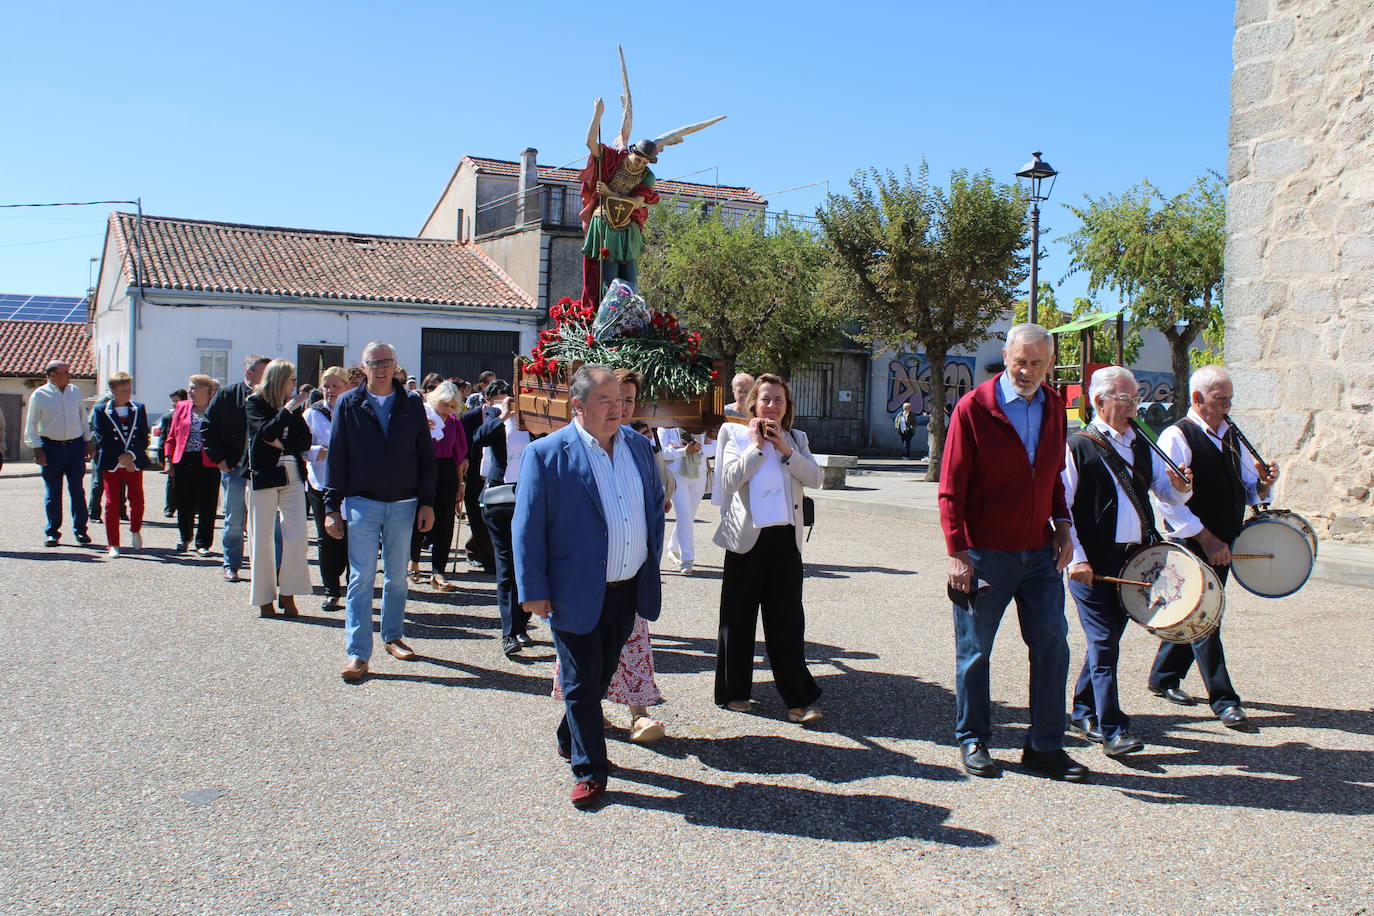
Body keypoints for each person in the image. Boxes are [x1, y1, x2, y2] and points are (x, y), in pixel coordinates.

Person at [513, 365, 665, 809]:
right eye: (605, 400)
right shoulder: (546, 454)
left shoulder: (637, 446)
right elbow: (528, 528)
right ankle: (591, 771)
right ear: (577, 406)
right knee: (581, 681)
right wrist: (532, 588)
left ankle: (570, 733)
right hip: (571, 590)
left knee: (598, 675)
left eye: (620, 399)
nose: (617, 408)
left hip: (627, 585)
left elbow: (653, 506)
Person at [940, 324, 1086, 782]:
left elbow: (1054, 478)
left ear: (1049, 364)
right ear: (1005, 356)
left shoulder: (1055, 406)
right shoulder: (973, 408)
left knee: (1052, 647)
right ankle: (974, 739)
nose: (1027, 371)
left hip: (1040, 554)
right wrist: (957, 553)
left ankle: (1044, 746)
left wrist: (1063, 526)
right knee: (976, 651)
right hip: (985, 554)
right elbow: (951, 489)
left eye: (1037, 363)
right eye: (1020, 361)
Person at [1062, 367, 1193, 757]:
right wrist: (1077, 560)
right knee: (1103, 641)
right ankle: (1112, 728)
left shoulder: (1141, 443)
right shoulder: (1077, 446)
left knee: (1108, 641)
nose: (1134, 406)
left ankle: (1082, 710)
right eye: (1126, 398)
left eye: (1136, 398)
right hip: (1091, 564)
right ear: (1100, 401)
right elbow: (1061, 511)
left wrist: (1181, 487)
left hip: (1132, 563)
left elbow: (1166, 494)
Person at [1147, 365, 1279, 730]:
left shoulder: (1230, 433)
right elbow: (1169, 502)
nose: (1227, 407)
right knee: (1207, 618)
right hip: (1193, 541)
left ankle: (1163, 676)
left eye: (1229, 399)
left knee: (1196, 612)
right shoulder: (1178, 436)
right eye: (1221, 400)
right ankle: (1223, 700)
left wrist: (1266, 484)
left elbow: (1250, 489)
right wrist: (1207, 538)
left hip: (1223, 540)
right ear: (1197, 399)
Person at [713, 373, 825, 725]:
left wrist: (786, 450)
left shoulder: (797, 438)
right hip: (747, 540)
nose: (772, 406)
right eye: (766, 399)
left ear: (787, 406)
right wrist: (757, 448)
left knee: (788, 623)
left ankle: (798, 698)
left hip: (784, 541)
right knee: (738, 618)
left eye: (779, 400)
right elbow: (728, 481)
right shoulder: (733, 434)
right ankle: (735, 692)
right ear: (753, 404)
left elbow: (816, 478)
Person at [324, 341, 437, 683]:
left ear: (395, 364)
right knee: (360, 577)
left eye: (387, 361)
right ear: (363, 367)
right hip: (362, 502)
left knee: (397, 577)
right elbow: (337, 456)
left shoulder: (411, 403)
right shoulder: (349, 403)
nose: (382, 368)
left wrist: (428, 502)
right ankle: (357, 653)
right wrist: (332, 507)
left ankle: (392, 636)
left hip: (403, 503)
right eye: (375, 362)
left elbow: (425, 456)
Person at [245, 360, 313, 618]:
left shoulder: (295, 407)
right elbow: (263, 431)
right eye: (291, 380)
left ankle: (289, 591)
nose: (294, 385)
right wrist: (285, 411)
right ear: (280, 380)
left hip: (293, 474)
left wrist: (280, 441)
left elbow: (304, 439)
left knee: (296, 537)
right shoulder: (255, 402)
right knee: (261, 539)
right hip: (263, 476)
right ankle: (264, 599)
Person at [203, 354, 271, 581]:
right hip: (235, 468)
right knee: (234, 519)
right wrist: (219, 460)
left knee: (265, 522)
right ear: (249, 373)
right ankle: (231, 564)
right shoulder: (227, 394)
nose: (268, 376)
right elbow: (208, 427)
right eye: (264, 371)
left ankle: (264, 567)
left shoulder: (270, 396)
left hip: (263, 470)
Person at [483, 384, 533, 658]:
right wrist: (504, 414)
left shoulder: (536, 421)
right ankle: (508, 633)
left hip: (529, 496)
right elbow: (479, 437)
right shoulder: (495, 413)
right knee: (506, 567)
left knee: (527, 563)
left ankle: (522, 624)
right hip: (500, 497)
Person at [24, 360, 94, 547]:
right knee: (53, 493)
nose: (69, 374)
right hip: (51, 448)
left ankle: (81, 531)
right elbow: (31, 424)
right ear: (52, 375)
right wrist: (37, 449)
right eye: (65, 372)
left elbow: (82, 417)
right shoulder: (39, 395)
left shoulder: (75, 391)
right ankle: (52, 532)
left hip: (75, 446)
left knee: (77, 491)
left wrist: (87, 442)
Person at [411, 381, 468, 590]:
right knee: (419, 517)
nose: (449, 410)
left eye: (453, 406)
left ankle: (438, 571)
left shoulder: (455, 423)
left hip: (447, 471)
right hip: (422, 469)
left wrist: (460, 482)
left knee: (445, 521)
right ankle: (413, 558)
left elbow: (458, 456)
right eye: (445, 405)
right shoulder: (422, 419)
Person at [91, 372, 152, 558]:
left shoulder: (138, 409)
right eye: (123, 390)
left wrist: (132, 456)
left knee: (137, 499)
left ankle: (135, 530)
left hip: (133, 461)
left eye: (129, 389)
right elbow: (102, 438)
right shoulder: (101, 410)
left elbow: (143, 436)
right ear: (113, 391)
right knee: (111, 502)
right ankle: (113, 543)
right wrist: (121, 457)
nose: (128, 394)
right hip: (112, 462)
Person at [304, 367, 349, 611]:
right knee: (327, 537)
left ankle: (353, 590)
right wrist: (316, 452)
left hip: (352, 483)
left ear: (346, 387)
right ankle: (331, 590)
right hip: (321, 482)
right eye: (326, 386)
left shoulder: (354, 409)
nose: (330, 391)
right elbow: (301, 445)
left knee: (352, 537)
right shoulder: (312, 413)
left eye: (335, 386)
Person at [163, 375, 221, 554]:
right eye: (189, 388)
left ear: (207, 392)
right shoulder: (182, 407)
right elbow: (171, 436)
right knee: (184, 501)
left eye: (194, 388)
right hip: (184, 460)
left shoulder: (217, 409)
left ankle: (203, 543)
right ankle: (184, 537)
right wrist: (168, 460)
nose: (190, 392)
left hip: (209, 462)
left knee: (207, 503)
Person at [458, 382, 508, 573]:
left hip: (496, 472)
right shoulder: (469, 417)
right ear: (486, 399)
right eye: (496, 400)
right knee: (477, 518)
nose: (500, 404)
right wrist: (463, 460)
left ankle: (491, 559)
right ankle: (480, 554)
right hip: (473, 471)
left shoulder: (510, 416)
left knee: (492, 518)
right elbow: (464, 443)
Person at [658, 425, 714, 574]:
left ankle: (673, 547)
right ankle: (687, 559)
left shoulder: (700, 423)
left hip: (699, 474)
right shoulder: (666, 426)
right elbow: (663, 452)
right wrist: (683, 451)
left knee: (688, 516)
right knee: (684, 516)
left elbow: (715, 447)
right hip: (677, 476)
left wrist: (699, 448)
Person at [153, 389, 187, 518]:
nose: (174, 403)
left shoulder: (190, 415)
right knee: (171, 481)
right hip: (172, 454)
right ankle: (169, 507)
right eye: (172, 401)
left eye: (176, 401)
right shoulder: (168, 417)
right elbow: (164, 438)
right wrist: (162, 457)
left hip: (186, 454)